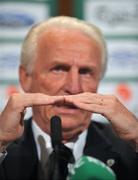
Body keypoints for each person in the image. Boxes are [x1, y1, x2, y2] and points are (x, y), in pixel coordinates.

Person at [0, 16, 138, 180]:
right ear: (26, 78)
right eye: (59, 69)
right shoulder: (4, 145)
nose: (74, 88)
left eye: (85, 72)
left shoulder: (129, 151)